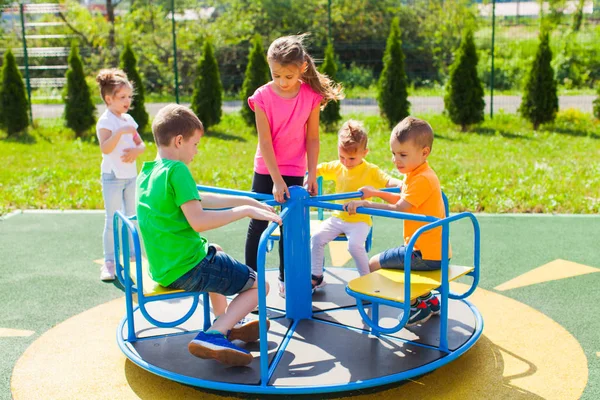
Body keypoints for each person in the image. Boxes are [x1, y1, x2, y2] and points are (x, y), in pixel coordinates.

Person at [136, 104, 281, 367]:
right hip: (190, 266)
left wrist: (247, 200)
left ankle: (225, 322)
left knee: (218, 249)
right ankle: (215, 334)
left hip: (164, 268)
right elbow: (199, 220)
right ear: (179, 141)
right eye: (195, 143)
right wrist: (244, 211)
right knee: (260, 286)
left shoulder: (148, 173)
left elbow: (200, 198)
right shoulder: (177, 170)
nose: (196, 150)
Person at [245, 34, 343, 298]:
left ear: (301, 68)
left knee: (289, 226)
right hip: (267, 169)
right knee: (258, 223)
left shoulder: (310, 96)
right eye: (276, 75)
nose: (282, 82)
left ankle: (285, 278)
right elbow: (264, 142)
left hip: (295, 169)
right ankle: (250, 285)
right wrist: (276, 180)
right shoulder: (262, 96)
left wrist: (312, 172)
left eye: (288, 76)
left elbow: (313, 138)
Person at [344, 116, 451, 327]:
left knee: (374, 264)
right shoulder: (418, 172)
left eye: (402, 155)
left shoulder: (422, 179)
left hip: (423, 254)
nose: (396, 160)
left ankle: (414, 305)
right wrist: (375, 192)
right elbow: (402, 197)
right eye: (394, 154)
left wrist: (365, 205)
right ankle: (427, 299)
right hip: (436, 251)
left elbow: (399, 208)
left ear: (424, 152)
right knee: (393, 259)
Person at [310, 120, 401, 291]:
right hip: (338, 218)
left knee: (354, 246)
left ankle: (366, 281)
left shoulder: (370, 170)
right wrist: (310, 176)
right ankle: (317, 276)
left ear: (364, 152)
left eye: (351, 158)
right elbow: (319, 169)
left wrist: (403, 184)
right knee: (316, 239)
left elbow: (388, 180)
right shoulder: (338, 167)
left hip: (360, 221)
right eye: (341, 156)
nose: (346, 162)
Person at [96, 68, 145, 281]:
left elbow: (141, 144)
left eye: (129, 97)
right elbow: (105, 148)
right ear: (109, 99)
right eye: (122, 97)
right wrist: (120, 133)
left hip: (130, 176)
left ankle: (133, 256)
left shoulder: (129, 119)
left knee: (132, 217)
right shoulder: (106, 122)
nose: (127, 101)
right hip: (112, 177)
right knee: (112, 219)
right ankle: (109, 261)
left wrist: (136, 150)